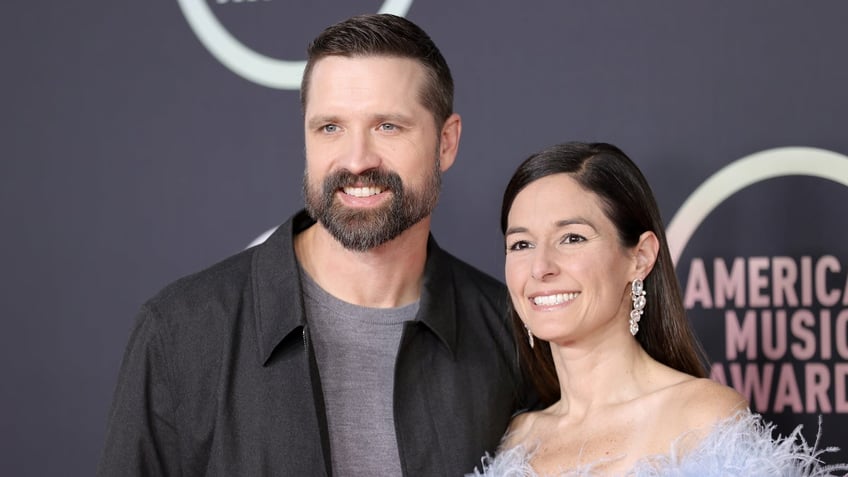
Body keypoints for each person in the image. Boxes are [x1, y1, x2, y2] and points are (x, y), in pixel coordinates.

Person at [97, 14, 531, 476]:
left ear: (446, 142)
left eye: (387, 126)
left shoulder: (512, 334)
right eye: (330, 127)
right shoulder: (181, 332)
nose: (357, 160)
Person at [469, 142, 848, 476]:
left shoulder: (701, 418)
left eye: (572, 238)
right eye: (521, 245)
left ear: (641, 257)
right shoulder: (517, 440)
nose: (540, 267)